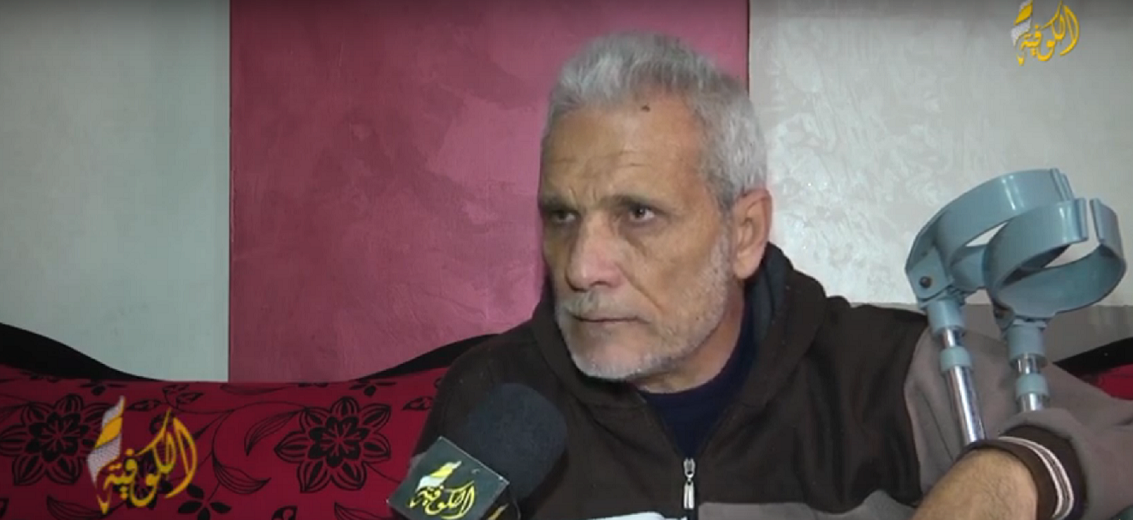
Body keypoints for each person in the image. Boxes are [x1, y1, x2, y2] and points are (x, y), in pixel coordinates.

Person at [412, 32, 1133, 520]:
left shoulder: (886, 372)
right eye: (562, 216)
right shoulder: (490, 395)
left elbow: (1117, 431)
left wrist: (1006, 478)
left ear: (744, 233)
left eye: (637, 213)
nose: (580, 267)